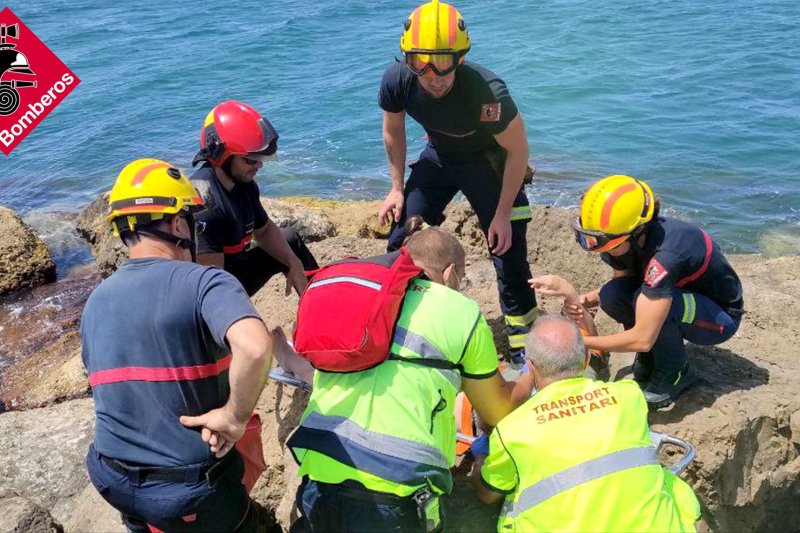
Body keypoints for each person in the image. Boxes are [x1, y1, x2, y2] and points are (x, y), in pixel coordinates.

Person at [278, 220, 527, 532]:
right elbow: (495, 410)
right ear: (450, 273)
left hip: (319, 471)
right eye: (460, 277)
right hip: (394, 487)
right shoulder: (460, 310)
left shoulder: (363, 300)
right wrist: (531, 378)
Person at [81, 159, 274, 532]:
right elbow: (254, 348)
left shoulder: (96, 300)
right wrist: (233, 417)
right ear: (177, 224)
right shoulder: (205, 281)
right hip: (187, 486)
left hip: (110, 475)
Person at [378, 0, 537, 363]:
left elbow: (518, 151)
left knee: (506, 247)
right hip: (440, 157)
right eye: (420, 62)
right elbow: (393, 132)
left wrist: (500, 214)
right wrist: (397, 188)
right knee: (401, 236)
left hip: (487, 162)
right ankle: (401, 321)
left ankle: (522, 343)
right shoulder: (397, 80)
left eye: (444, 62)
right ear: (407, 59)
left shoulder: (487, 93)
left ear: (461, 58)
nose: (433, 74)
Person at [475, 315, 701, 532]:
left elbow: (488, 495)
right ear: (585, 359)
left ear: (530, 366)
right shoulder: (629, 396)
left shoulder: (512, 431)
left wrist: (481, 455)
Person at [571, 175, 744, 408]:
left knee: (665, 307)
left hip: (718, 317)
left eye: (604, 242)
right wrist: (585, 299)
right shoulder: (624, 242)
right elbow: (620, 285)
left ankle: (675, 372)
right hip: (678, 293)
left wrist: (583, 342)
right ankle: (653, 358)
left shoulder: (666, 258)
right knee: (612, 295)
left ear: (636, 232)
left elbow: (642, 338)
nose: (598, 248)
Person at [191, 100, 318, 296]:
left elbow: (265, 230)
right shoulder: (204, 203)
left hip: (236, 269)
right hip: (212, 287)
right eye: (251, 159)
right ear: (221, 155)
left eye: (260, 158)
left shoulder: (245, 185)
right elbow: (213, 289)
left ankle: (320, 304)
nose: (259, 166)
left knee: (291, 240)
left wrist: (294, 263)